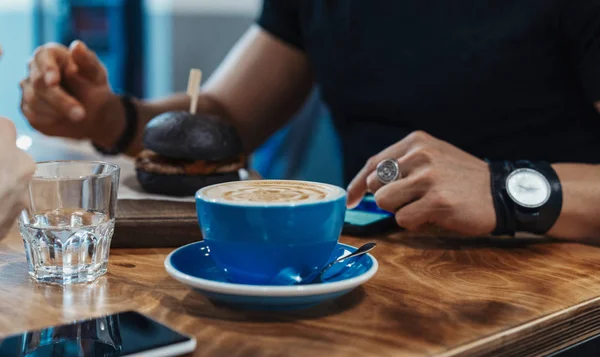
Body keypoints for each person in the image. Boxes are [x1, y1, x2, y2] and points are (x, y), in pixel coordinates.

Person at [19, 1, 600, 241]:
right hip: (361, 276)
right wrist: (104, 114)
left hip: (554, 289)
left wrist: (506, 189)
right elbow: (224, 120)